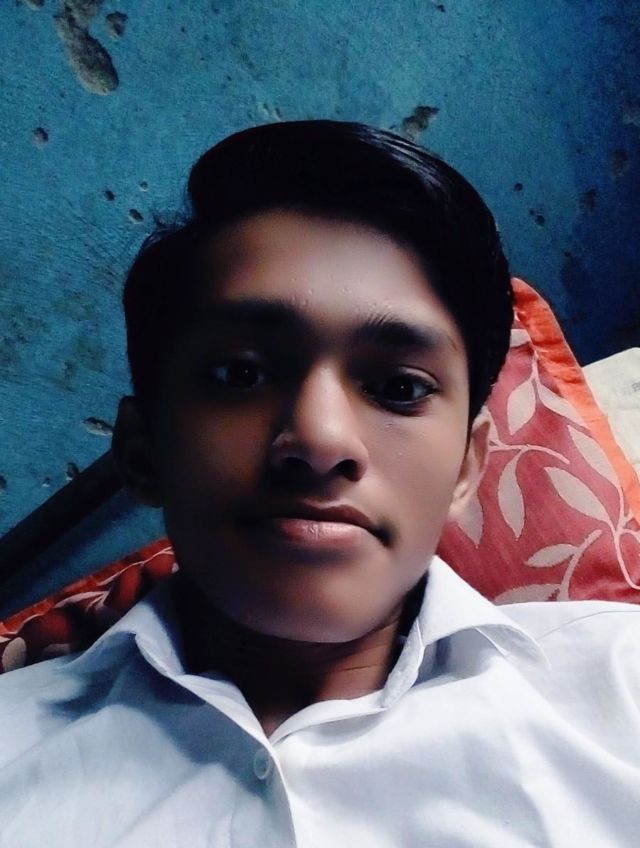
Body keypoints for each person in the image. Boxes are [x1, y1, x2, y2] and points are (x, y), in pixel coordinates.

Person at [1, 120, 639, 847]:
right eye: (239, 373)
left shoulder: (623, 693)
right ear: (142, 452)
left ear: (467, 467)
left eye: (400, 387)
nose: (319, 438)